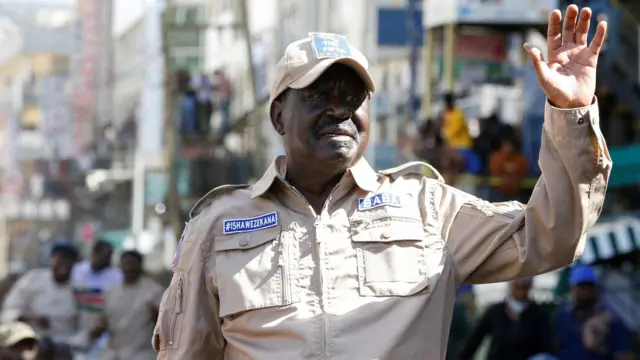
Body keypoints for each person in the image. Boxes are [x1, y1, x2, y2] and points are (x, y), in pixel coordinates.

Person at [153, 6, 611, 359]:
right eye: (318, 95)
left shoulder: (428, 207)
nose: (339, 109)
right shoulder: (218, 226)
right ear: (278, 114)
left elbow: (553, 233)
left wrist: (571, 113)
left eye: (352, 96)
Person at [91, 250, 164, 360]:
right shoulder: (112, 293)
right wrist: (98, 328)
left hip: (143, 354)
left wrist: (157, 317)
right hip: (114, 353)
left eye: (132, 264)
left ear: (140, 266)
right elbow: (100, 326)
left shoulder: (154, 292)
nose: (129, 268)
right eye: (126, 264)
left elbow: (166, 328)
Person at [0, 244, 79, 344]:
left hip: (65, 345)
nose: (64, 263)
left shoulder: (79, 288)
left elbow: (83, 328)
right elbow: (8, 311)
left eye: (69, 260)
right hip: (30, 341)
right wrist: (31, 319)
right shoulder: (33, 279)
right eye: (61, 258)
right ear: (52, 259)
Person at [458, 278, 554, 360]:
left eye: (523, 287)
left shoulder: (539, 315)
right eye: (517, 287)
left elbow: (546, 349)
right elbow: (472, 344)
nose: (520, 292)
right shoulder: (495, 312)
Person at [554, 265, 633, 360]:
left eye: (588, 287)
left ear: (596, 289)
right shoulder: (562, 317)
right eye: (580, 287)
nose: (584, 292)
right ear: (572, 288)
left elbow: (624, 355)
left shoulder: (611, 320)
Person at [70, 240, 123, 356]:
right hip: (78, 325)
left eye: (109, 256)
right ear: (94, 253)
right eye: (104, 256)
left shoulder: (117, 276)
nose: (108, 260)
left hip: (103, 331)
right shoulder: (77, 271)